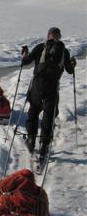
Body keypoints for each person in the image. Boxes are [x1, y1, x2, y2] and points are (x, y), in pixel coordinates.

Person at [22, 27, 76, 160]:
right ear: (59, 37)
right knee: (49, 115)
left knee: (33, 111)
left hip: (37, 85)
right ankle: (44, 146)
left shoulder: (40, 47)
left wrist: (24, 54)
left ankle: (31, 140)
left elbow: (25, 62)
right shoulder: (64, 51)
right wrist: (73, 64)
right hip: (52, 86)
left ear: (48, 35)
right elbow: (69, 70)